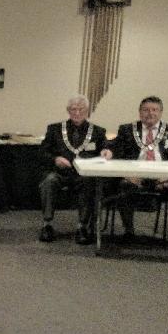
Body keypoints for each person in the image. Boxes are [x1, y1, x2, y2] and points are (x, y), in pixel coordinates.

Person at [101, 96, 168, 246]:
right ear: (139, 112)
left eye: (154, 110)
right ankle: (129, 231)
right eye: (146, 110)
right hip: (134, 176)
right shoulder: (127, 129)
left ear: (161, 112)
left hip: (164, 177)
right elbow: (115, 147)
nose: (150, 113)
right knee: (124, 186)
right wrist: (109, 151)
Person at [37, 95, 107, 244]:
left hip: (84, 175)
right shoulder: (54, 129)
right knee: (49, 181)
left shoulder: (98, 132)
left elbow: (105, 150)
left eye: (81, 109)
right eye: (73, 109)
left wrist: (106, 152)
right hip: (59, 173)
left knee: (89, 183)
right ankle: (47, 224)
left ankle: (82, 227)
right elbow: (42, 152)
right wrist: (55, 159)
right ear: (68, 110)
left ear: (87, 111)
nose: (77, 112)